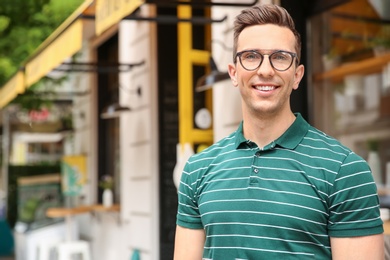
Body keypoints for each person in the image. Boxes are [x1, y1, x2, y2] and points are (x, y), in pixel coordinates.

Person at [174, 3, 384, 259]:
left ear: (297, 76)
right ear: (233, 73)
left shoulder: (345, 171)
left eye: (280, 57)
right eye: (251, 56)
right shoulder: (197, 169)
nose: (265, 70)